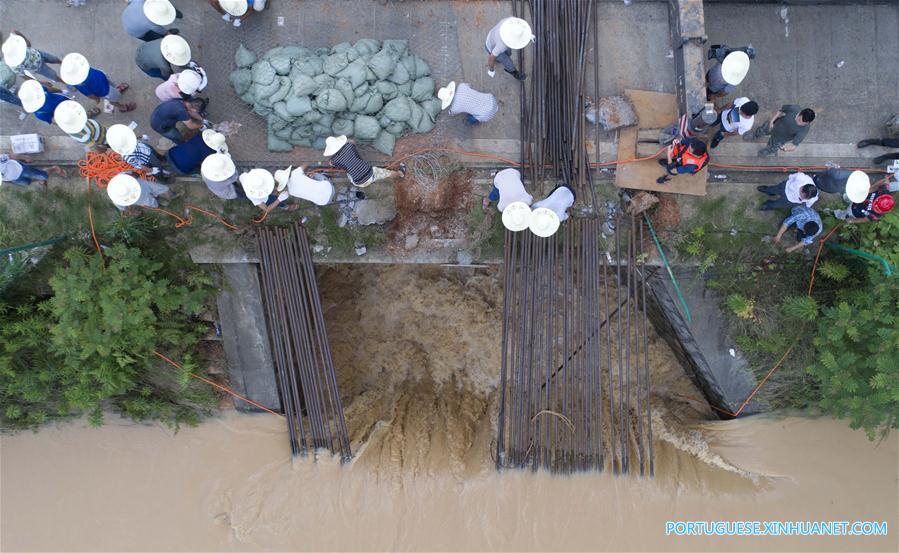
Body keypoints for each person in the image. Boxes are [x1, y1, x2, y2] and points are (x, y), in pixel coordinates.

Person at [60, 53, 134, 114]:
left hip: (104, 79)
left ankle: (116, 90)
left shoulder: (82, 66)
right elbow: (90, 95)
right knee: (113, 99)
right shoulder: (79, 85)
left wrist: (97, 99)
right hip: (104, 90)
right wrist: (97, 99)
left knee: (113, 87)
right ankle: (121, 107)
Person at [324, 135, 405, 187]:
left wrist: (333, 157)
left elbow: (330, 163)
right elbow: (352, 141)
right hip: (369, 173)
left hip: (357, 182)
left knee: (349, 173)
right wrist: (346, 141)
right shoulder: (349, 146)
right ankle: (400, 174)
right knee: (386, 173)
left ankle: (371, 180)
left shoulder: (334, 160)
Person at [746, 105, 815, 157]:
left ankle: (767, 151)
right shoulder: (794, 108)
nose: (799, 124)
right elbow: (781, 110)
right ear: (800, 113)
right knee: (761, 130)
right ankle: (755, 135)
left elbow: (794, 145)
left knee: (772, 147)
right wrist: (772, 121)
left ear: (808, 122)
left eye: (803, 123)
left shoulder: (805, 129)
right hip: (774, 125)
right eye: (799, 120)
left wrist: (786, 149)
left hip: (780, 139)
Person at [485, 17, 534, 81]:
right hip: (491, 47)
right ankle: (513, 72)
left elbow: (519, 30)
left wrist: (528, 36)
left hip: (492, 36)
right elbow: (491, 58)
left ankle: (499, 59)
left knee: (508, 53)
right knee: (508, 61)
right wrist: (491, 70)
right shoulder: (501, 45)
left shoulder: (510, 21)